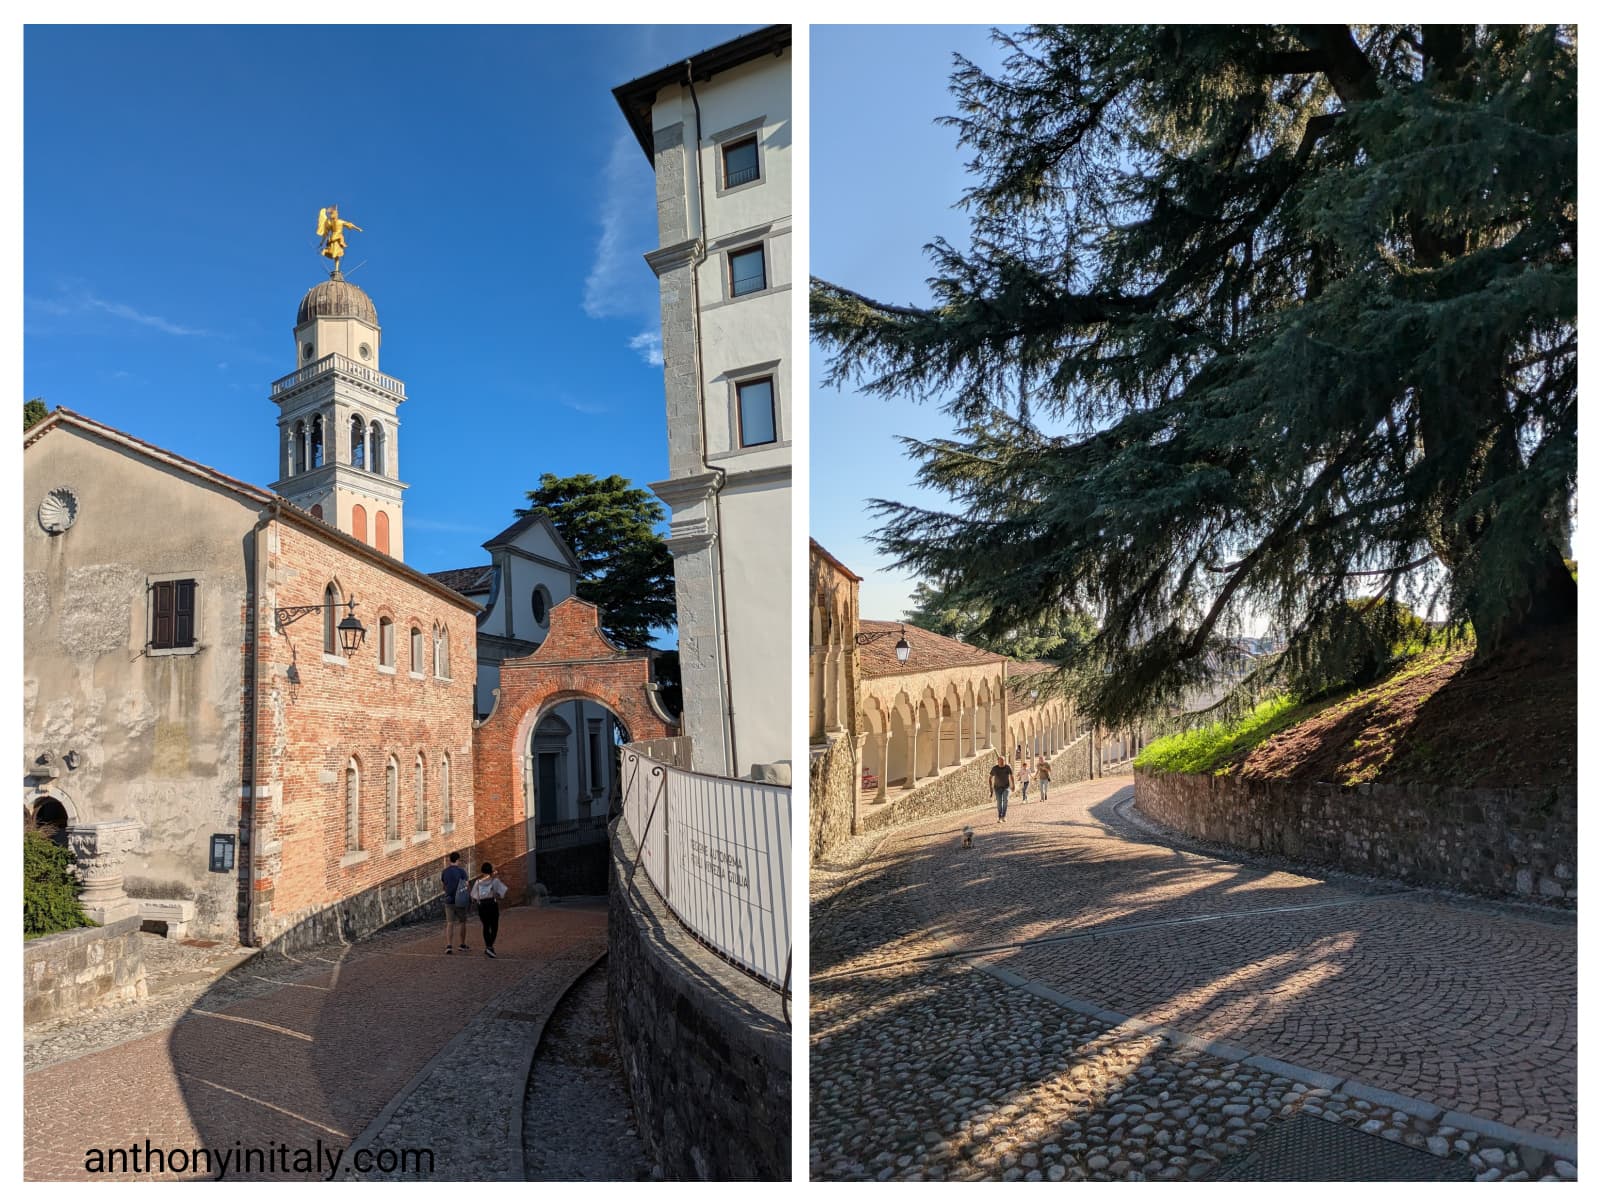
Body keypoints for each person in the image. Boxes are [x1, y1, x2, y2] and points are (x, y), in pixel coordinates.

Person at [472, 862, 509, 958]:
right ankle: (489, 946)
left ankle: (489, 946)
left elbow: (473, 895)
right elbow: (502, 892)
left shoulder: (477, 882)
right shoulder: (495, 881)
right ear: (491, 871)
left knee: (485, 926)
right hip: (492, 904)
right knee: (494, 926)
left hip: (482, 906)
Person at [441, 851, 469, 954]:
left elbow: (444, 886)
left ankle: (449, 945)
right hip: (460, 900)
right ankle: (462, 944)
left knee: (450, 923)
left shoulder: (445, 872)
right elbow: (466, 885)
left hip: (449, 900)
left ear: (450, 860)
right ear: (458, 860)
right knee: (462, 922)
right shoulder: (461, 871)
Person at [989, 754, 1014, 823]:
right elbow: (990, 778)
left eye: (1003, 760)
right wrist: (991, 788)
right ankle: (1000, 817)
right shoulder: (994, 768)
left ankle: (1004, 816)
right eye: (1000, 761)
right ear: (998, 761)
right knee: (999, 803)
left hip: (1006, 787)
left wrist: (1013, 785)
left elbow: (1011, 776)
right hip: (997, 788)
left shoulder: (1007, 767)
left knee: (1005, 800)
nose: (1002, 762)